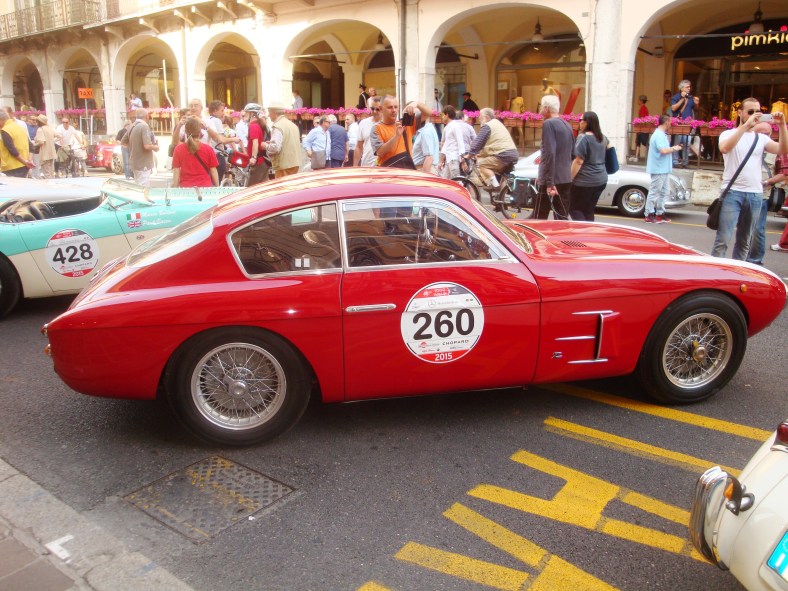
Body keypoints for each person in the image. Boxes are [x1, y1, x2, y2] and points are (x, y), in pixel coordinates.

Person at [712, 98, 788, 260]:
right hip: (732, 193)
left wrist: (781, 125)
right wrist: (745, 126)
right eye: (750, 112)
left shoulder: (761, 139)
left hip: (755, 194)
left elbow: (783, 149)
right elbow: (725, 148)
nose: (755, 115)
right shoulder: (728, 134)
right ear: (740, 113)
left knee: (744, 241)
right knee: (723, 239)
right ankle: (716, 275)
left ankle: (738, 275)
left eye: (757, 112)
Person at [748, 122, 787, 264]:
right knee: (744, 228)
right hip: (743, 191)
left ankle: (755, 260)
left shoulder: (776, 150)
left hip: (762, 195)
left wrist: (766, 182)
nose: (763, 136)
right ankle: (742, 259)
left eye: (767, 133)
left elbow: (784, 173)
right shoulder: (747, 145)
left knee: (758, 228)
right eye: (760, 133)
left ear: (771, 134)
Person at [533, 94, 574, 220]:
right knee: (561, 216)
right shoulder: (567, 125)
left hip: (551, 179)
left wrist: (549, 182)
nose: (540, 111)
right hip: (565, 177)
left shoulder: (549, 124)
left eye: (541, 107)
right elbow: (572, 153)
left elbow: (549, 153)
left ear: (546, 108)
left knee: (540, 216)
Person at [463, 107, 519, 189]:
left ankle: (495, 186)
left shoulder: (488, 126)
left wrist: (469, 155)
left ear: (486, 117)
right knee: (500, 175)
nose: (479, 119)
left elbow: (479, 142)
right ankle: (500, 196)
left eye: (480, 116)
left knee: (482, 164)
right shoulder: (498, 123)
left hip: (503, 154)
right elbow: (492, 142)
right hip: (512, 154)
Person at [370, 95, 432, 168]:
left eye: (396, 107)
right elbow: (380, 152)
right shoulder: (377, 128)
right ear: (381, 108)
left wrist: (416, 104)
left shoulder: (406, 123)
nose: (393, 110)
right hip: (388, 173)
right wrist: (396, 136)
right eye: (390, 107)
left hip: (405, 171)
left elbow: (428, 113)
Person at [568, 111, 609, 221]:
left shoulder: (583, 138)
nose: (579, 122)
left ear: (587, 123)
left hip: (584, 181)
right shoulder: (603, 138)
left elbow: (578, 161)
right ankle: (590, 233)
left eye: (581, 120)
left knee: (574, 209)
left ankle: (582, 234)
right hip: (601, 179)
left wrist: (570, 179)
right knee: (589, 210)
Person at [645, 114, 682, 223]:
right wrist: (674, 148)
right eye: (670, 122)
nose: (671, 124)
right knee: (655, 191)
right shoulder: (659, 135)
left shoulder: (661, 135)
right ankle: (649, 213)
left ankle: (660, 213)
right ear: (666, 123)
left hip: (663, 168)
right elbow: (663, 150)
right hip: (659, 168)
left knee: (664, 192)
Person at [171, 117, 219, 187]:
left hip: (186, 188)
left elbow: (176, 172)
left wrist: (175, 189)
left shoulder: (178, 149)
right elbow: (213, 171)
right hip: (205, 187)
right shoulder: (208, 149)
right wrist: (217, 186)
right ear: (200, 131)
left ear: (186, 131)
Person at [265, 100, 302, 178]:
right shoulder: (293, 125)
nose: (268, 115)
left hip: (284, 166)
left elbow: (275, 148)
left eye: (269, 112)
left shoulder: (278, 126)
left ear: (274, 112)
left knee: (282, 188)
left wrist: (265, 146)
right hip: (295, 163)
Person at [438, 105, 476, 179]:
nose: (441, 117)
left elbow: (460, 143)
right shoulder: (448, 127)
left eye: (443, 115)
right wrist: (442, 160)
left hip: (454, 158)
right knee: (447, 181)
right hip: (449, 159)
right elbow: (446, 145)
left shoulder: (455, 126)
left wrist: (463, 160)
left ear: (447, 115)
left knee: (457, 181)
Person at [127, 108, 159, 187]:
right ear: (147, 116)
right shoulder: (144, 126)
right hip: (143, 163)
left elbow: (123, 142)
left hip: (134, 161)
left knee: (138, 186)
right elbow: (147, 145)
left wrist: (135, 146)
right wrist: (156, 147)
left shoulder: (132, 126)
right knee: (144, 187)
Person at [243, 103, 271, 186]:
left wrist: (253, 157)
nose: (245, 115)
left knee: (251, 187)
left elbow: (255, 142)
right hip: (263, 161)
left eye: (247, 113)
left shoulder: (253, 126)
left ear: (252, 113)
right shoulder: (259, 124)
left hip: (258, 162)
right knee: (262, 187)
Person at [0, 109, 33, 177]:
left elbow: (12, 150)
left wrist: (25, 162)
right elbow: (31, 145)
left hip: (12, 166)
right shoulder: (19, 127)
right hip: (23, 165)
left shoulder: (5, 130)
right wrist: (29, 160)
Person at [670, 80, 694, 168]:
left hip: (688, 125)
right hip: (678, 124)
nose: (689, 88)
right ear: (682, 88)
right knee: (677, 143)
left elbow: (693, 108)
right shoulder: (676, 97)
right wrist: (682, 99)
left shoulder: (691, 98)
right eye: (687, 87)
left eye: (689, 87)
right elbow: (673, 108)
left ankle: (685, 162)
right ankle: (675, 162)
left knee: (687, 144)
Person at [354, 96, 381, 167]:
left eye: (377, 109)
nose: (374, 111)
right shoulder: (363, 123)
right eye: (372, 108)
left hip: (383, 167)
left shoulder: (388, 123)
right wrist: (355, 166)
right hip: (366, 166)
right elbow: (359, 147)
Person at [33, 114, 56, 179]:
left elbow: (41, 141)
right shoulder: (50, 129)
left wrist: (34, 144)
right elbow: (59, 135)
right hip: (51, 152)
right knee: (51, 171)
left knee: (47, 173)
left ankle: (50, 187)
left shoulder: (40, 129)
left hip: (44, 153)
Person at [633, 95, 649, 162]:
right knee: (638, 142)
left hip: (642, 128)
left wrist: (640, 128)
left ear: (641, 101)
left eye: (639, 100)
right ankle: (636, 156)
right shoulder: (644, 108)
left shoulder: (643, 108)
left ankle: (637, 156)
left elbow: (642, 119)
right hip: (642, 128)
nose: (638, 101)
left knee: (643, 142)